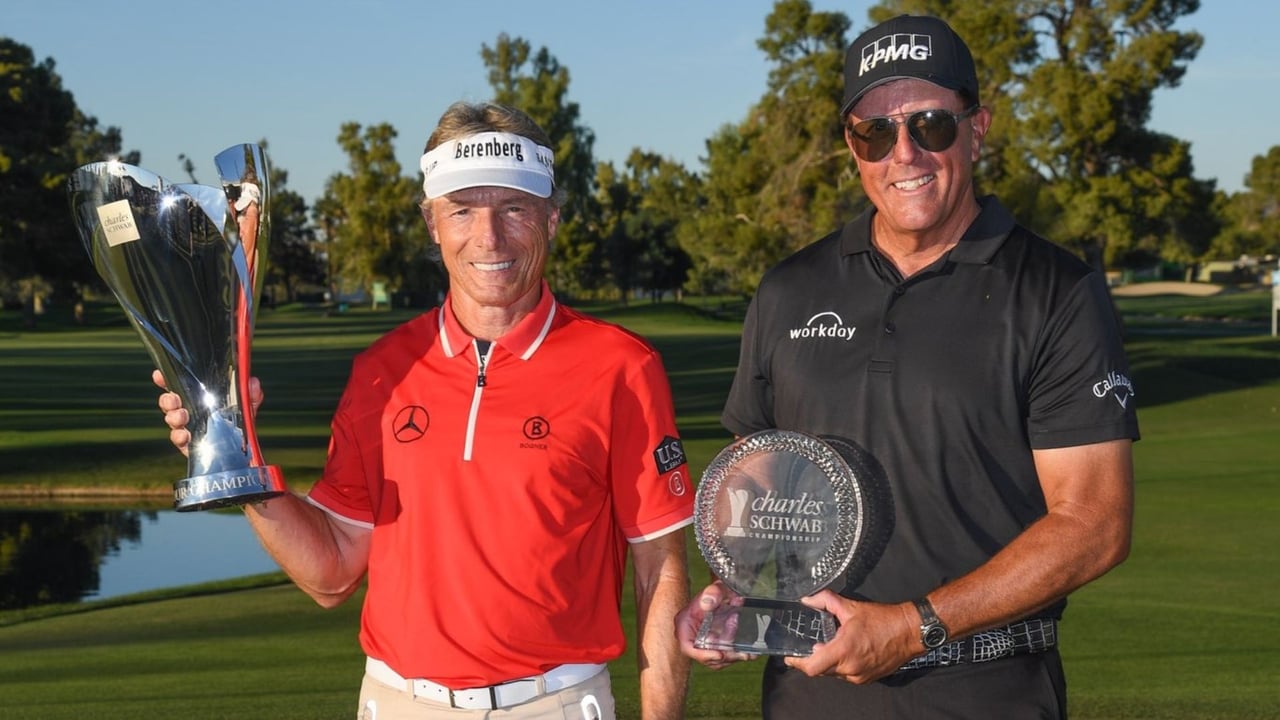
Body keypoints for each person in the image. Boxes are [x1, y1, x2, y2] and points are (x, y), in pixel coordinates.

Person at [156, 101, 693, 720]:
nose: (488, 237)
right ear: (432, 223)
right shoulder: (382, 370)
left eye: (513, 208)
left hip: (556, 704)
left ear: (551, 218)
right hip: (397, 703)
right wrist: (236, 455)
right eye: (462, 210)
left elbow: (660, 572)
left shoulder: (620, 367)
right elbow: (330, 572)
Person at [676, 14, 1138, 719]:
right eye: (875, 132)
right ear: (851, 145)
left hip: (988, 695)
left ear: (977, 127)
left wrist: (912, 626)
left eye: (930, 126)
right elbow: (759, 468)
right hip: (808, 696)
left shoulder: (1055, 290)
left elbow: (1095, 522)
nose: (905, 155)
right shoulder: (790, 288)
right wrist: (733, 583)